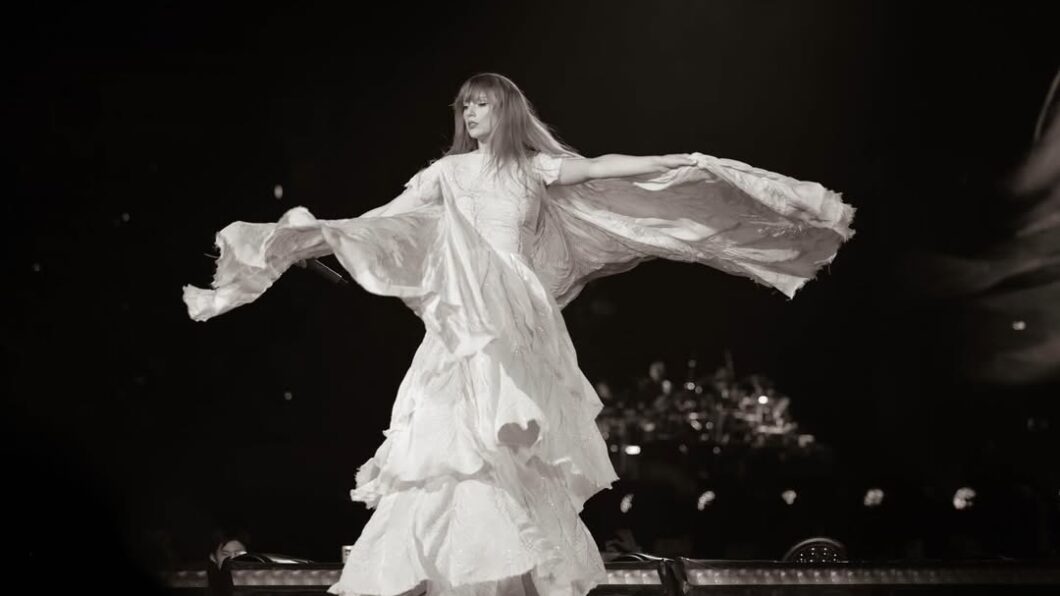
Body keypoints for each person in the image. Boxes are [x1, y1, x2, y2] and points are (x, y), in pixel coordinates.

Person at [183, 73, 855, 596]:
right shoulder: (445, 173)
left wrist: (679, 159)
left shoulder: (533, 166)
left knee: (512, 427)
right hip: (466, 303)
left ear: (502, 110)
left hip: (516, 302)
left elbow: (596, 167)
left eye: (479, 105)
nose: (468, 115)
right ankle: (469, 555)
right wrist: (320, 234)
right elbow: (383, 218)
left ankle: (515, 550)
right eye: (463, 107)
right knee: (452, 423)